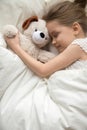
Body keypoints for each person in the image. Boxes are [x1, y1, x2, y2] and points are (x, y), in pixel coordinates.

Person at [5, 0, 87, 77]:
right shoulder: (73, 56)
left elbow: (43, 70)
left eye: (55, 35)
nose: (53, 42)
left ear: (75, 29)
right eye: (51, 38)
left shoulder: (79, 46)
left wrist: (16, 47)